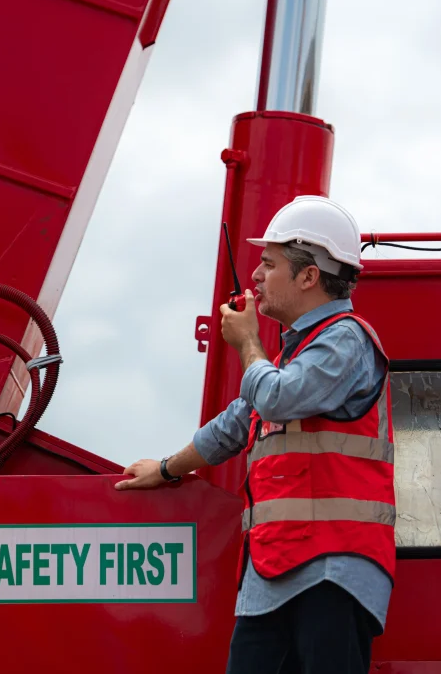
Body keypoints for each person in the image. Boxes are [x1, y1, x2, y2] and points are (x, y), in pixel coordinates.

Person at [115, 195, 395, 674]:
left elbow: (277, 399)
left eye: (269, 264)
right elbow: (233, 425)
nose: (256, 277)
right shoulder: (292, 355)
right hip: (274, 569)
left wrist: (247, 342)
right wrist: (164, 469)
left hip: (332, 568)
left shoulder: (345, 338)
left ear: (309, 276)